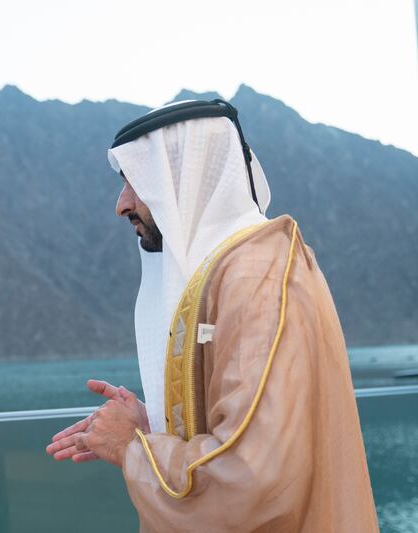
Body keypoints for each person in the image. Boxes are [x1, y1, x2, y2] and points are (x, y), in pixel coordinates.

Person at [46, 100, 378, 531]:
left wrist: (132, 448)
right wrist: (158, 427)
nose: (122, 204)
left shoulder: (254, 275)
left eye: (136, 181)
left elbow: (250, 478)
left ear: (185, 180)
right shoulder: (237, 269)